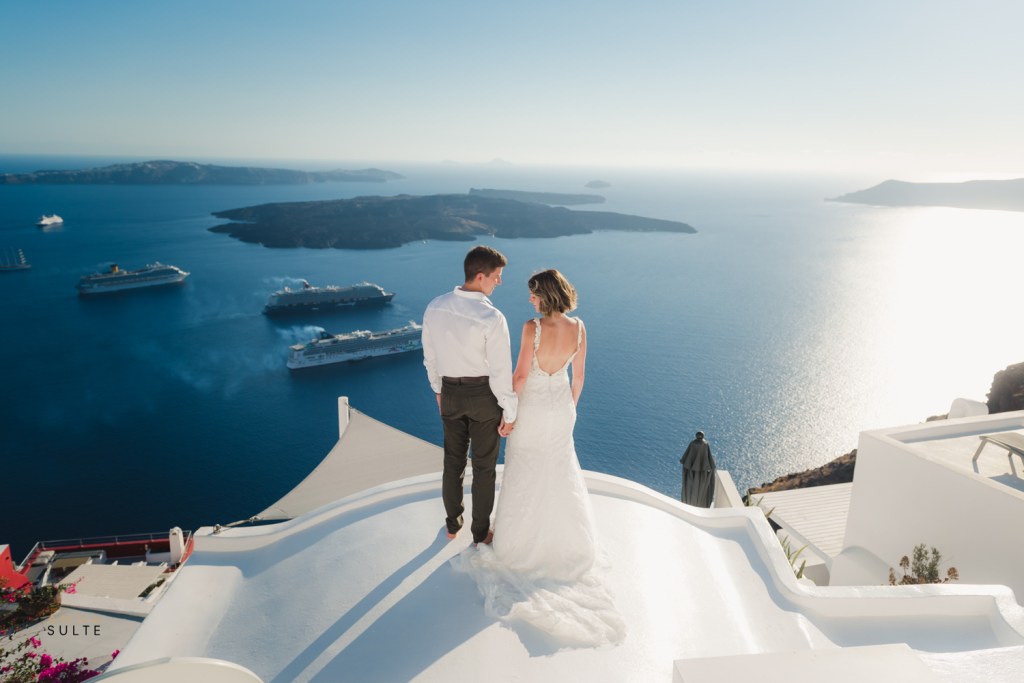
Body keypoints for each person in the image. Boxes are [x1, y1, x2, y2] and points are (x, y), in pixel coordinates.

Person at [453, 269, 625, 647]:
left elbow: (519, 377)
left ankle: (517, 547)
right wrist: (570, 410)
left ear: (545, 296)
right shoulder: (580, 328)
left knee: (524, 472)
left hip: (531, 408)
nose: (529, 300)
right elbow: (578, 378)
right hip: (561, 408)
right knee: (559, 471)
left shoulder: (532, 327)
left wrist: (507, 415)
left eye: (533, 294)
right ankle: (568, 547)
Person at [422, 245, 517, 545]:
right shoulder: (492, 317)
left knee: (453, 461)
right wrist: (510, 412)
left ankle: (452, 525)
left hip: (449, 392)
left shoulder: (434, 306)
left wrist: (438, 390)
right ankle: (480, 534)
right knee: (485, 467)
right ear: (480, 276)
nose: (499, 282)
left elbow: (430, 357)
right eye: (496, 276)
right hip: (483, 395)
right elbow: (501, 372)